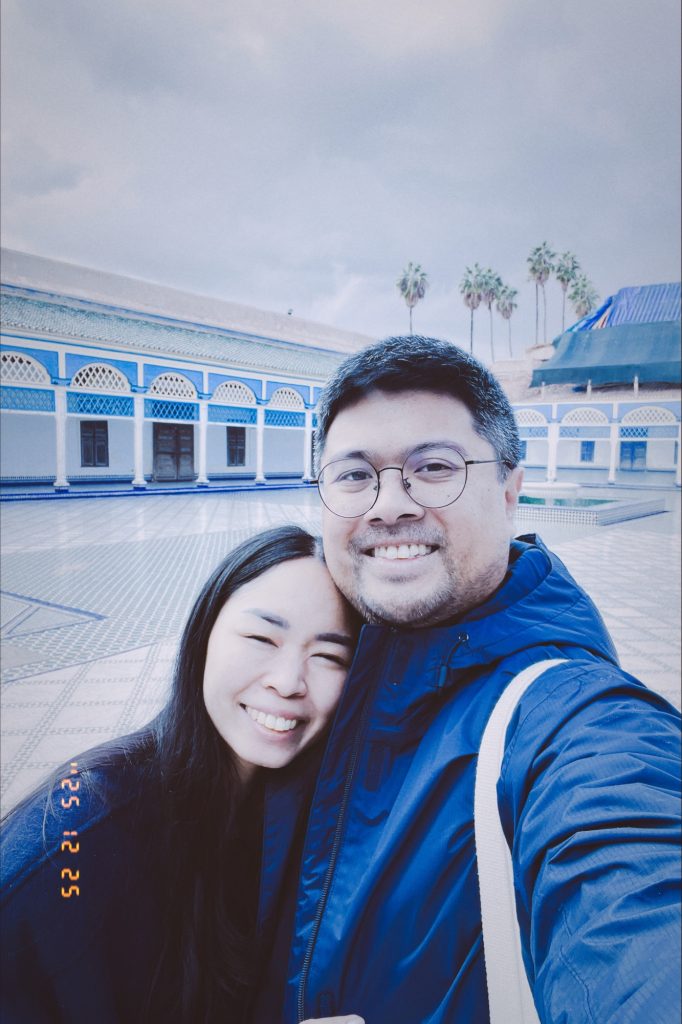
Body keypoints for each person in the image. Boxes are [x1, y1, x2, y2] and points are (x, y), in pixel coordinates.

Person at [252, 336, 681, 1023]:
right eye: (355, 475)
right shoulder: (320, 661)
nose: (389, 505)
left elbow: (633, 900)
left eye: (433, 468)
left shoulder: (567, 720)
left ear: (510, 493)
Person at [0, 525, 364, 1024]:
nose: (287, 683)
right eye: (262, 638)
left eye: (328, 656)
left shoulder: (306, 815)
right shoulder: (76, 838)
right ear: (203, 635)